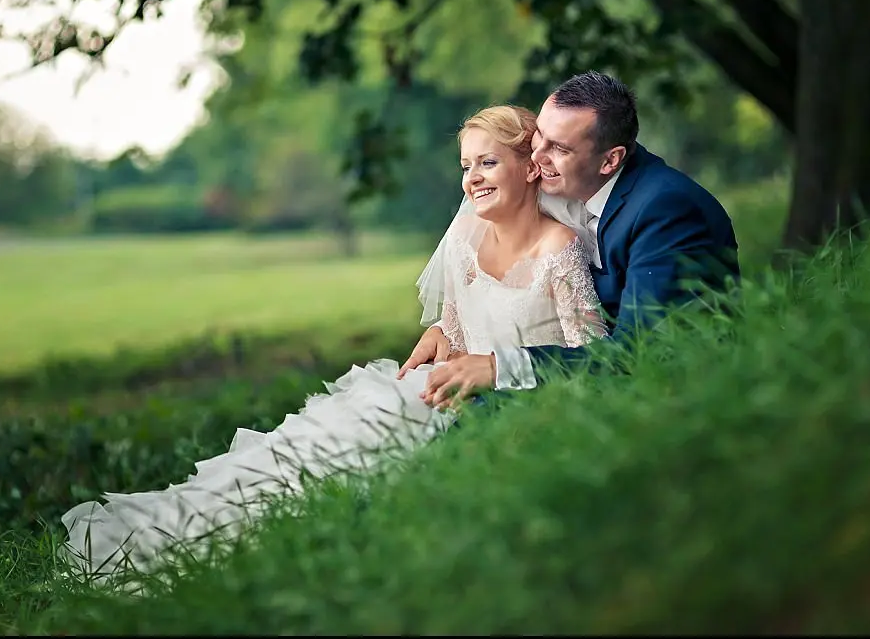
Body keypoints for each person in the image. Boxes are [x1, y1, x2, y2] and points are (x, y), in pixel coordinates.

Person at [59, 105, 608, 588]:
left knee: (341, 470)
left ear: (529, 167)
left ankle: (238, 547)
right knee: (310, 449)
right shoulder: (466, 244)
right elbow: (459, 333)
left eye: (488, 162)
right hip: (434, 387)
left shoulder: (558, 249)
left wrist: (495, 371)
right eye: (465, 166)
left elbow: (595, 357)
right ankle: (177, 531)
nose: (472, 179)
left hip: (496, 398)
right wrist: (443, 332)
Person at [405, 70, 740, 405]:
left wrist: (500, 368)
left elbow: (639, 351)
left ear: (610, 160)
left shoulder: (666, 209)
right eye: (540, 136)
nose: (536, 157)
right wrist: (446, 330)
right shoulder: (571, 187)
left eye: (559, 148)